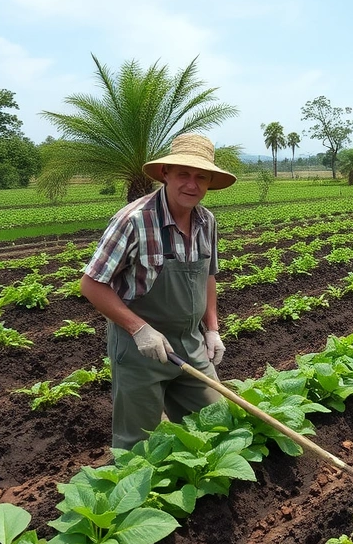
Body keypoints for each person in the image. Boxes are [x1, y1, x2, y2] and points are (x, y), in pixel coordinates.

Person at [80, 133, 237, 450]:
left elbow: (208, 275)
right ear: (165, 173)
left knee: (219, 425)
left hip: (190, 345)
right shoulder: (134, 221)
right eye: (183, 174)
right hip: (140, 350)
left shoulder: (206, 221)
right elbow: (92, 283)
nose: (191, 185)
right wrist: (140, 329)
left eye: (200, 177)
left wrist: (213, 329)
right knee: (138, 446)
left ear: (209, 182)